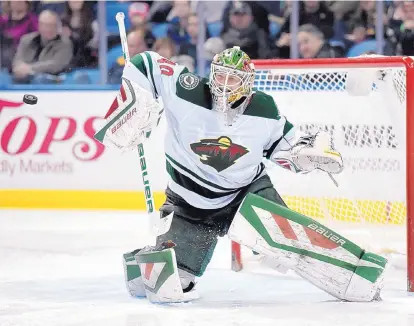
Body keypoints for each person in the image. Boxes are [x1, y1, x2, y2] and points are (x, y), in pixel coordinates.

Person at [95, 46, 387, 304]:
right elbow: (146, 62)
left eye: (232, 78)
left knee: (285, 248)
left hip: (246, 194)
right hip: (188, 206)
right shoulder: (188, 90)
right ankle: (145, 259)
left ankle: (359, 272)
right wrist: (136, 100)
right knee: (167, 286)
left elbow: (286, 147)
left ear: (247, 82)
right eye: (219, 76)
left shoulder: (263, 108)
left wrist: (309, 154)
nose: (223, 84)